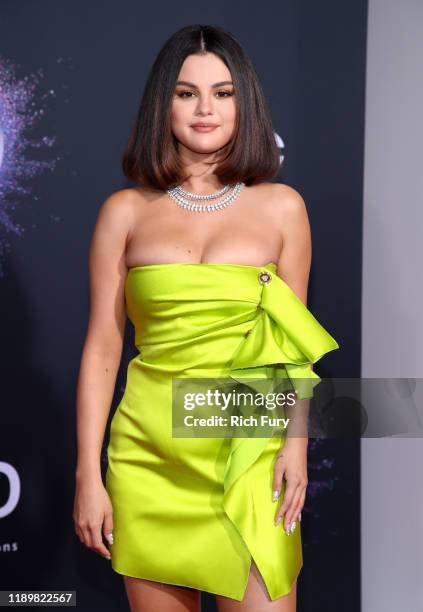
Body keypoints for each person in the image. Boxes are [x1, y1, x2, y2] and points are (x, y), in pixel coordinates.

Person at [73, 24, 339, 612]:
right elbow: (101, 349)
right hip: (150, 458)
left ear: (245, 103)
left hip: (251, 453)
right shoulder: (124, 213)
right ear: (160, 103)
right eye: (186, 92)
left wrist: (293, 447)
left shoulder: (282, 208)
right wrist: (88, 476)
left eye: (222, 92)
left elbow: (291, 346)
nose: (204, 109)